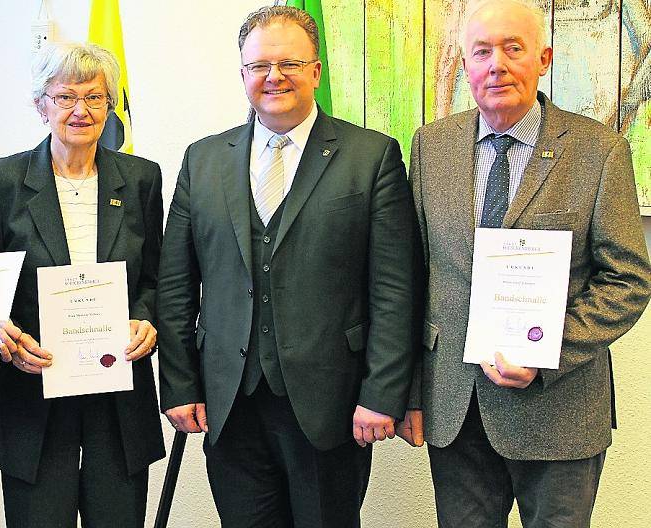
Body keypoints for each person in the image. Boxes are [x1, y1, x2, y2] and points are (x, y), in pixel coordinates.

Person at [156, 6, 417, 526]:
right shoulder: (202, 160)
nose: (274, 76)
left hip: (331, 406)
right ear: (243, 74)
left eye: (289, 63)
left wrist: (382, 393)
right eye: (259, 65)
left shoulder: (371, 157)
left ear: (315, 71)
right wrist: (180, 384)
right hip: (230, 404)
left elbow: (395, 290)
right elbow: (176, 286)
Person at [401, 1, 651, 526]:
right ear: (465, 65)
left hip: (560, 411)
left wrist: (547, 349)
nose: (497, 64)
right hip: (457, 409)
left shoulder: (598, 151)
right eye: (481, 52)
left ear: (544, 59)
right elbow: (413, 276)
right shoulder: (430, 147)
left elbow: (628, 278)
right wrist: (408, 392)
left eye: (513, 48)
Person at [0, 42, 165, 527]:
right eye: (66, 97)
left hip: (118, 396)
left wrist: (146, 320)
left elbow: (155, 278)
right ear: (42, 105)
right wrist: (8, 338)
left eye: (95, 97)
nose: (81, 110)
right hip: (33, 397)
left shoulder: (141, 179)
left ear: (109, 105)